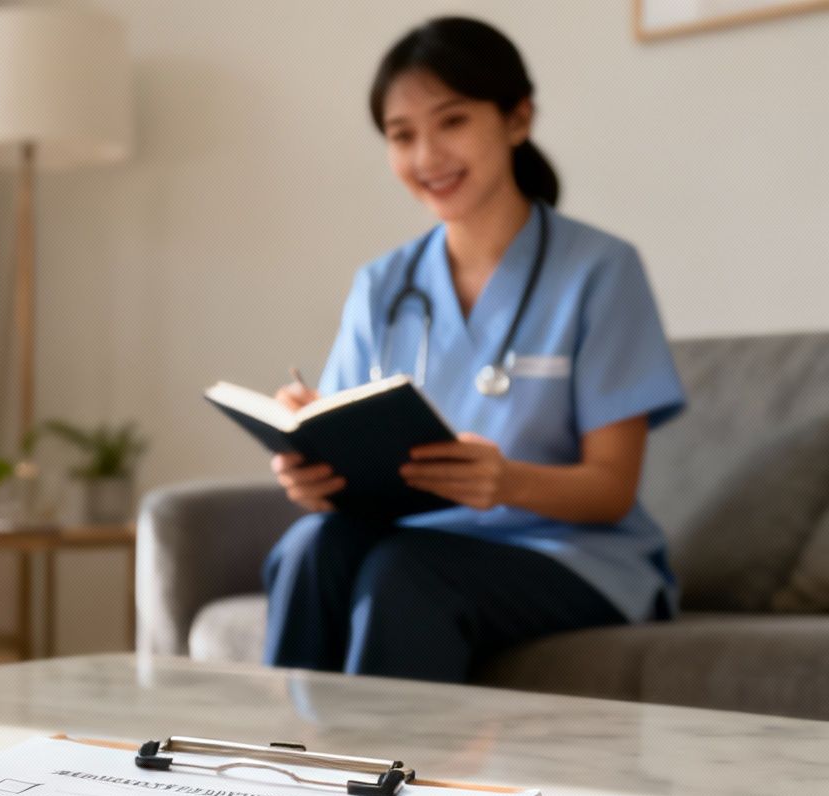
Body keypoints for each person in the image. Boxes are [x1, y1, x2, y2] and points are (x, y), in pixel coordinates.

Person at [263, 16, 685, 682]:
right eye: (402, 136)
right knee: (311, 545)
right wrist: (314, 475)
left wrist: (507, 481)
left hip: (576, 556)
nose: (426, 156)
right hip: (426, 540)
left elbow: (611, 490)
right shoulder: (382, 285)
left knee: (407, 572)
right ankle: (278, 771)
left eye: (451, 121)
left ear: (518, 119)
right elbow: (351, 474)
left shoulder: (601, 271)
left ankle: (386, 782)